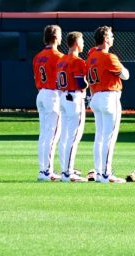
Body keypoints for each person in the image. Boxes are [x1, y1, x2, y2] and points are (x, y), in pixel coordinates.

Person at [87, 25, 130, 183]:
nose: (113, 38)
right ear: (105, 39)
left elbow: (93, 52)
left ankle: (99, 172)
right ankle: (106, 174)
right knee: (109, 138)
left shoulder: (91, 55)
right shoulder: (109, 57)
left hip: (96, 96)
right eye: (111, 36)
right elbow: (126, 75)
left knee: (99, 137)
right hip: (109, 97)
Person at [55, 30, 89, 182]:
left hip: (63, 96)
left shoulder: (61, 60)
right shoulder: (78, 61)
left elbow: (57, 83)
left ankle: (65, 169)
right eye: (81, 41)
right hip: (74, 97)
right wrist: (88, 83)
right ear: (76, 43)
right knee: (73, 137)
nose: (83, 43)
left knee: (65, 136)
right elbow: (81, 83)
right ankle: (68, 173)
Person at [32, 24, 64, 182]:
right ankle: (47, 171)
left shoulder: (37, 56)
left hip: (41, 94)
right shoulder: (59, 56)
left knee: (44, 135)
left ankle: (43, 169)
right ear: (56, 38)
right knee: (52, 135)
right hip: (53, 95)